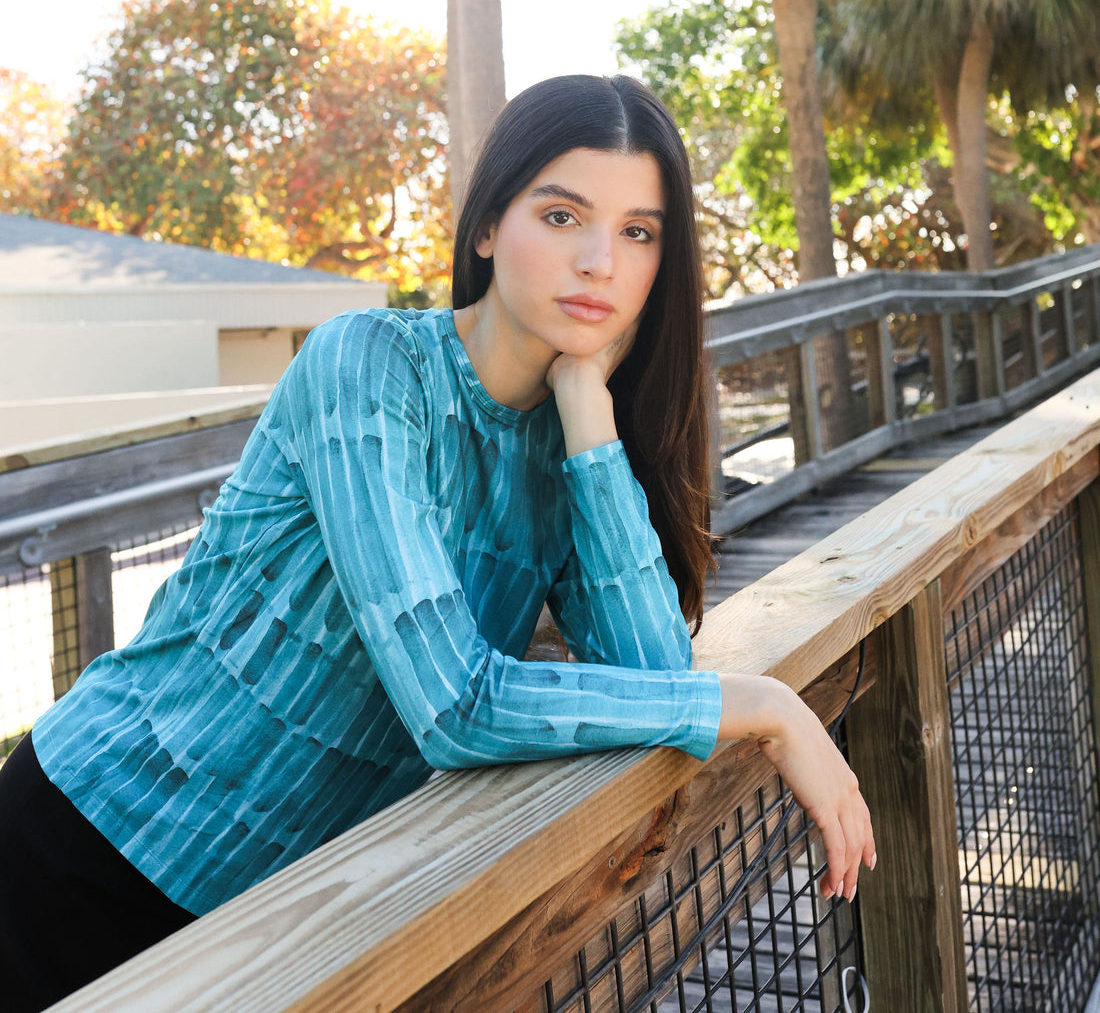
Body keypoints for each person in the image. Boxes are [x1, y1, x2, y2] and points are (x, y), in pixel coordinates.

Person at [0, 74, 874, 1010]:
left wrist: (587, 416)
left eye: (636, 232)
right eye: (562, 214)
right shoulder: (368, 366)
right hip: (88, 846)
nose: (598, 262)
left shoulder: (572, 443)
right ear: (489, 227)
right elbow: (454, 704)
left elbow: (654, 675)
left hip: (275, 925)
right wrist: (765, 705)